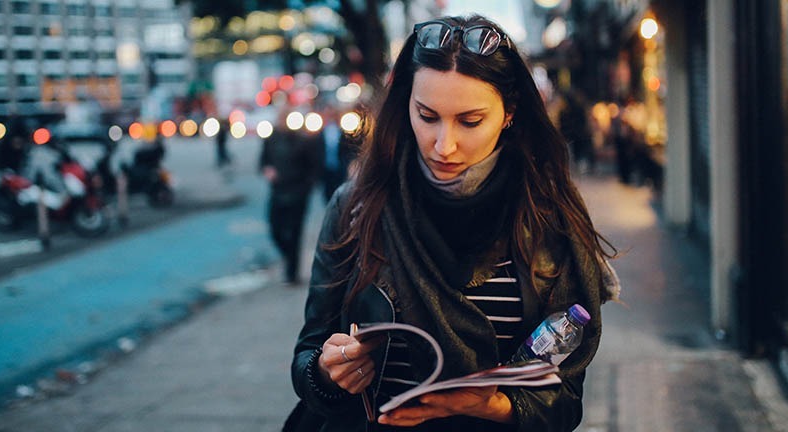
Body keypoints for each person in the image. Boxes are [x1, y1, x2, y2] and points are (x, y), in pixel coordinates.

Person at [287, 14, 620, 431]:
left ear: (510, 113)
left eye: (470, 121)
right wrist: (327, 373)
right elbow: (308, 355)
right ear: (406, 103)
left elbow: (565, 402)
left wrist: (492, 405)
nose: (444, 145)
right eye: (427, 116)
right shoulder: (357, 207)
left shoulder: (547, 219)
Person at [260, 103, 323, 285]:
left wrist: (307, 187)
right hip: (278, 190)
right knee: (275, 229)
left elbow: (313, 166)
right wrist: (268, 170)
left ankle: (291, 273)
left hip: (298, 192)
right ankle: (289, 257)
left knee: (295, 232)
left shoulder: (303, 140)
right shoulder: (271, 138)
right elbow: (264, 160)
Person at [318, 104, 357, 203]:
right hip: (325, 169)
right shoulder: (320, 133)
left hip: (340, 168)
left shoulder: (344, 132)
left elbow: (349, 150)